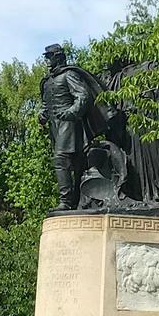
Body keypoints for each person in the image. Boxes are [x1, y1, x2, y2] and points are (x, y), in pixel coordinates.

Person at [39, 42, 98, 209]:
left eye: (49, 57)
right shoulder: (48, 81)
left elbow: (83, 96)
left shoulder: (69, 74)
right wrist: (42, 114)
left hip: (68, 125)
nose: (47, 61)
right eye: (46, 57)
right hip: (55, 127)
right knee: (77, 163)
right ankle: (79, 200)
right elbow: (46, 103)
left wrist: (71, 112)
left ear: (58, 57)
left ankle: (65, 201)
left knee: (60, 159)